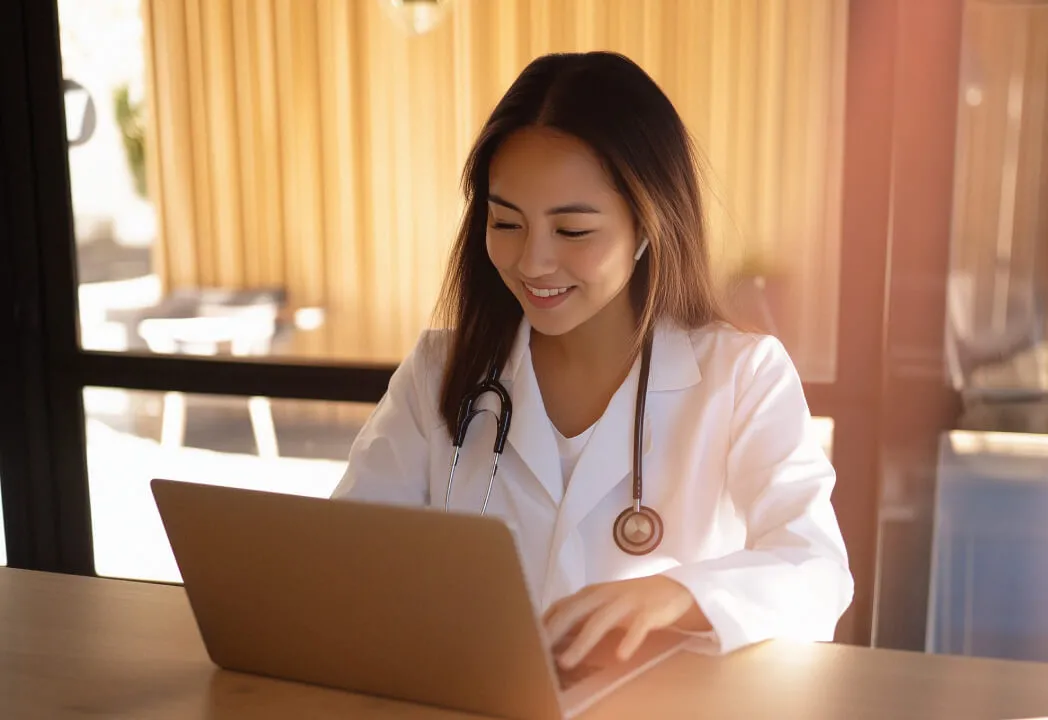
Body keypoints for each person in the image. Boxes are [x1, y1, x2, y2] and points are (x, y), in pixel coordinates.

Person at [331, 51, 853, 670]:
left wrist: (679, 594)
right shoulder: (441, 371)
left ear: (649, 226)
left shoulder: (743, 377)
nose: (532, 262)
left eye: (573, 231)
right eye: (506, 223)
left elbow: (817, 570)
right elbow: (348, 558)